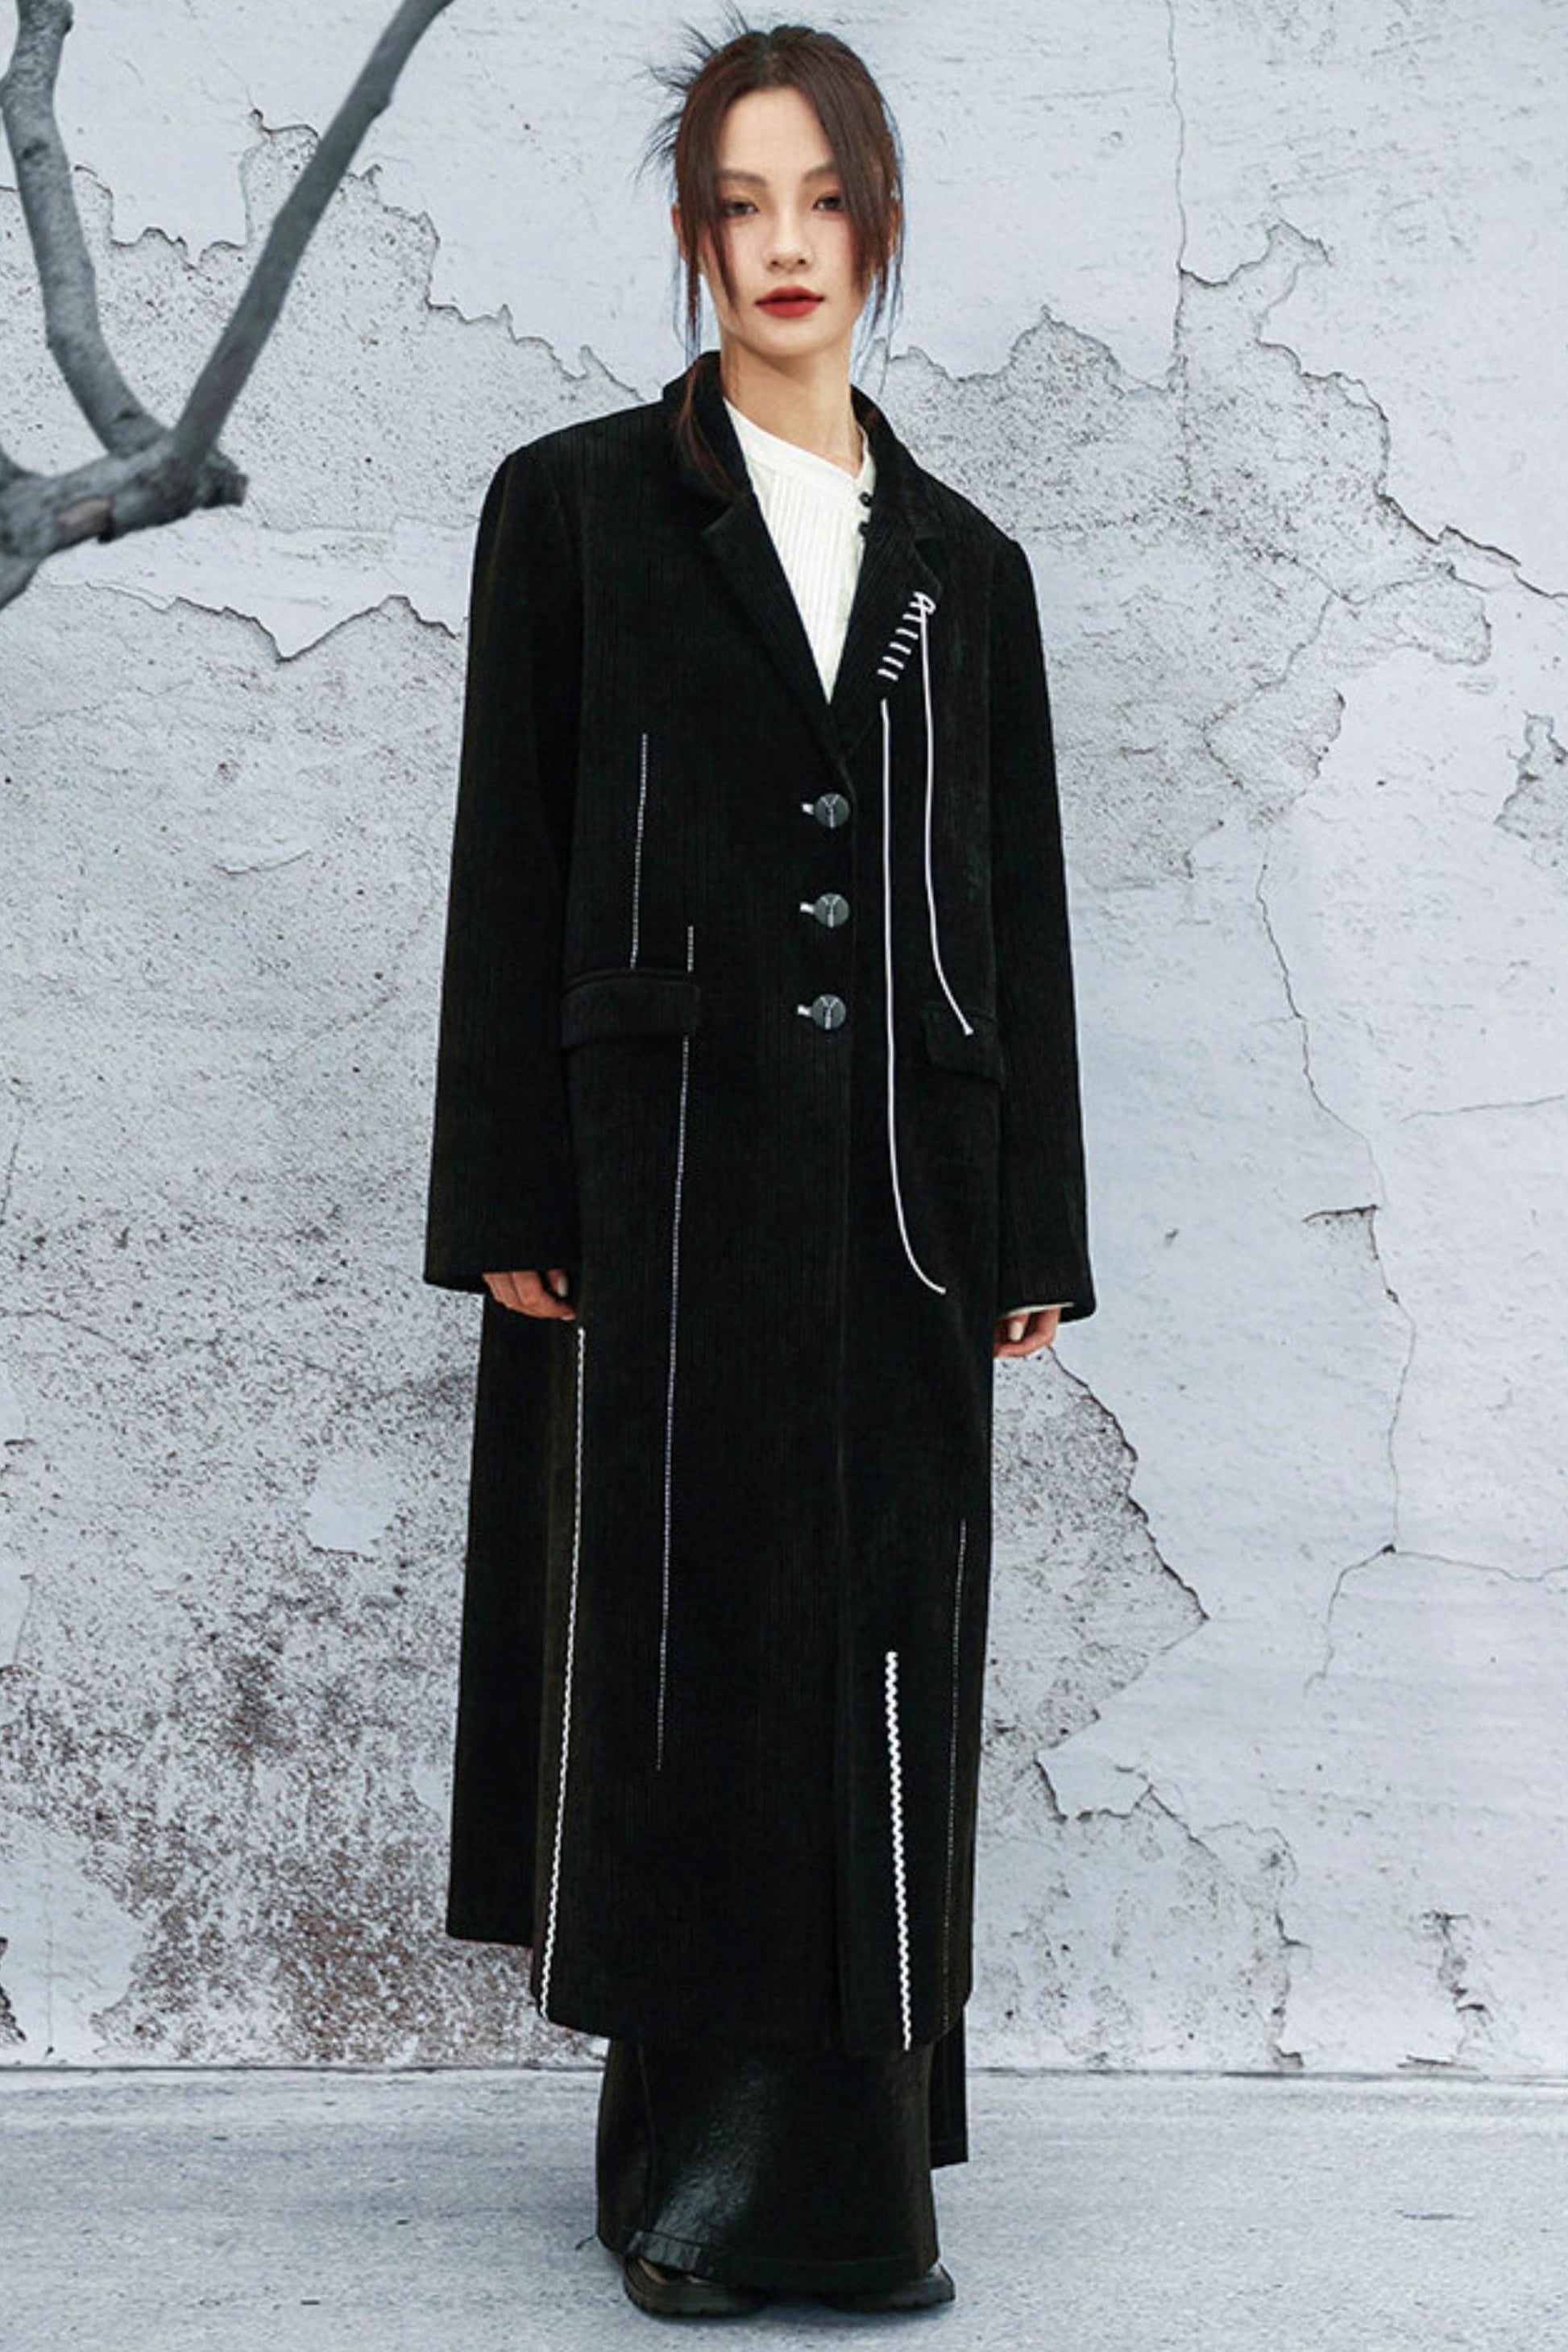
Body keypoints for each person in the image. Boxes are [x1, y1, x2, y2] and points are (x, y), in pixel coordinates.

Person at [422, 12, 1097, 2321]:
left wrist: (1029, 1224)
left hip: (906, 1199)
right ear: (693, 233)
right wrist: (510, 1196)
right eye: (740, 203)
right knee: (686, 1649)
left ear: (876, 226)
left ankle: (861, 2172)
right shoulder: (577, 509)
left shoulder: (966, 569)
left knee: (884, 1643)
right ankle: (695, 2179)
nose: (783, 244)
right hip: (668, 1187)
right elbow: (511, 863)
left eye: (822, 201)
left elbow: (1012, 907)